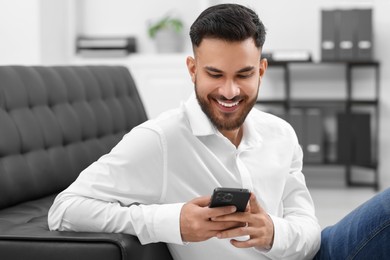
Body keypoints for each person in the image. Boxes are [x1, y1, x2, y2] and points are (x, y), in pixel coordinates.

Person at [48, 3, 390, 260]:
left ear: (262, 70)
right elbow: (64, 210)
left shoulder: (281, 133)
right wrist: (172, 221)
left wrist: (273, 231)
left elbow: (308, 232)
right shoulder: (160, 140)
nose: (229, 91)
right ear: (192, 69)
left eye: (243, 74)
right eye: (215, 74)